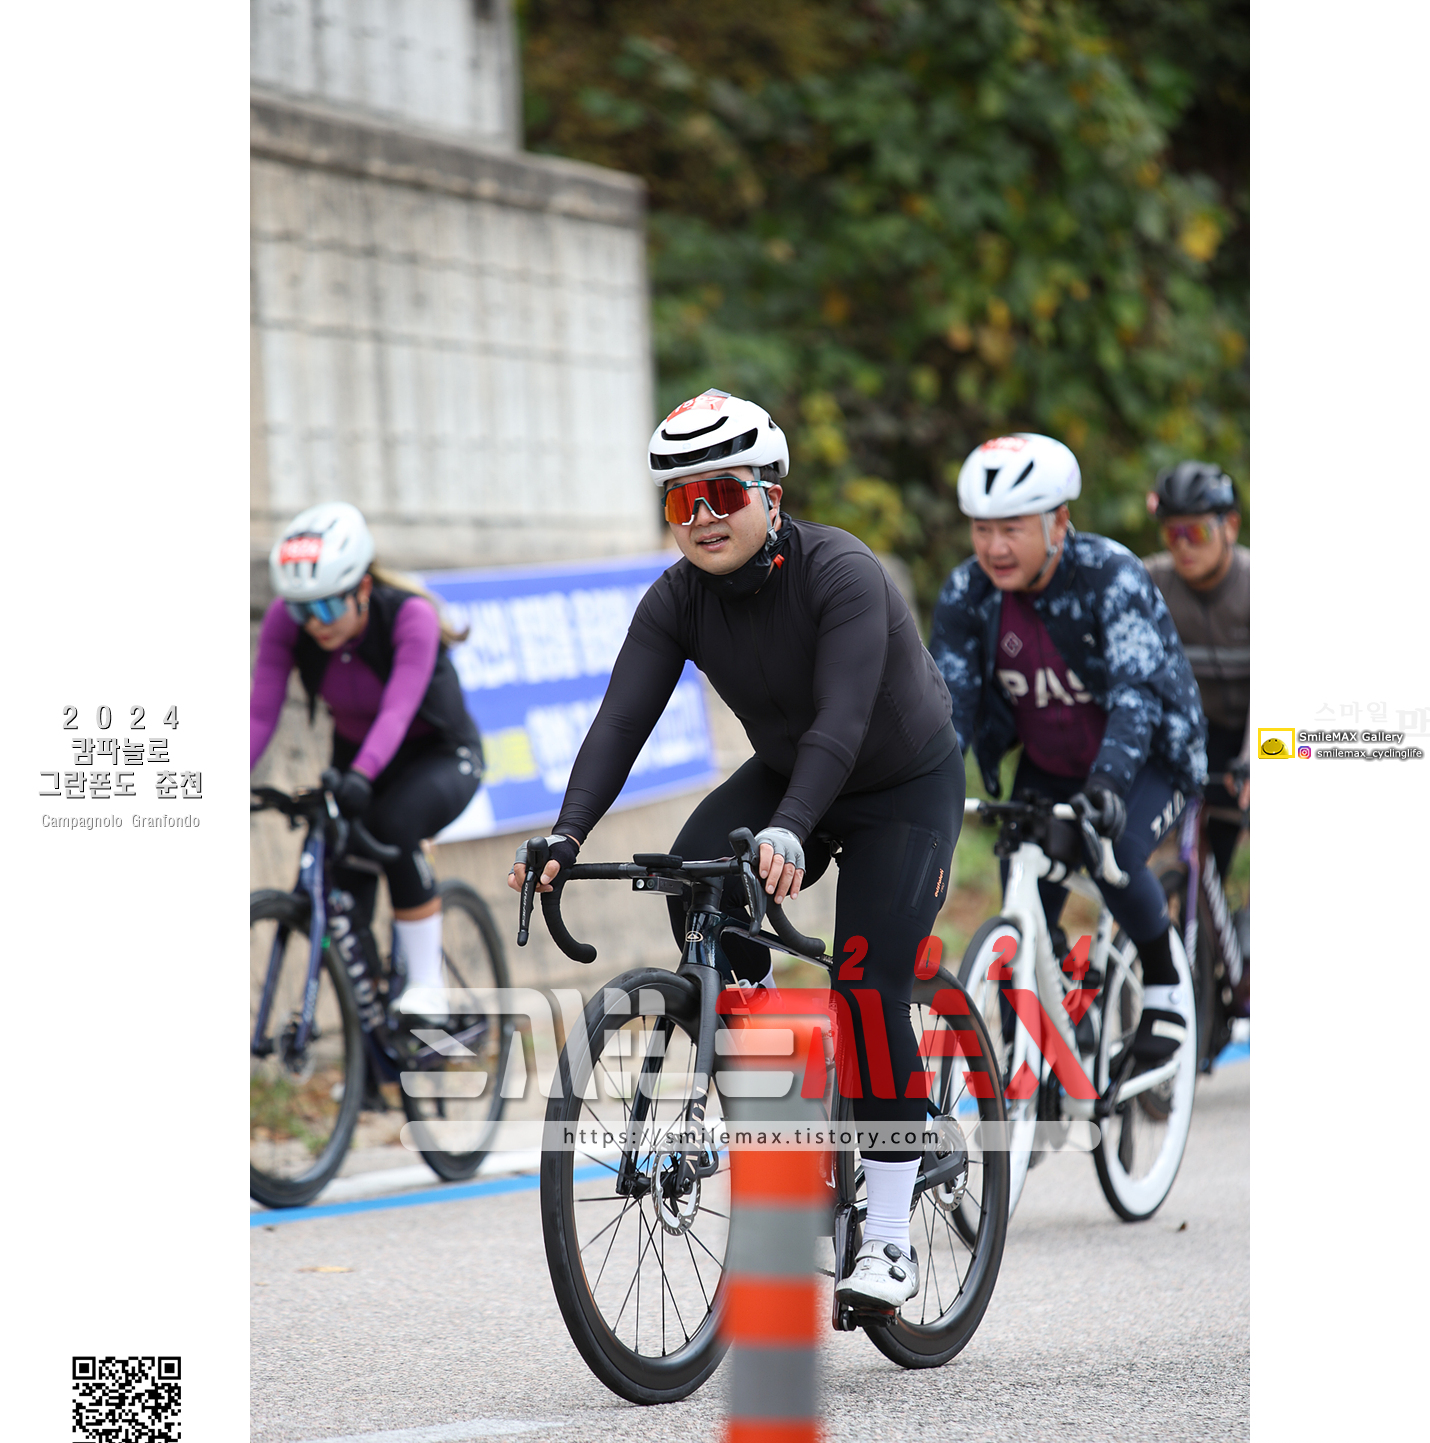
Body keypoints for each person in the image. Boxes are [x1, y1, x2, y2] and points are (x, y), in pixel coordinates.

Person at [508, 390, 963, 1313]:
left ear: (771, 493)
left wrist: (792, 827)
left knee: (866, 986)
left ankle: (886, 1239)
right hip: (793, 774)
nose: (702, 517)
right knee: (692, 878)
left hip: (899, 787)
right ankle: (765, 1086)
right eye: (682, 501)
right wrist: (567, 832)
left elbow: (842, 722)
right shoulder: (676, 598)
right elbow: (620, 722)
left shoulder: (844, 573)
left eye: (721, 492)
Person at [928, 433, 1207, 1068]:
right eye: (982, 530)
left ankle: (1166, 984)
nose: (994, 548)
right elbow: (950, 708)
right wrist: (927, 787)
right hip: (1049, 763)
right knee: (1021, 879)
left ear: (1058, 522)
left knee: (1114, 852)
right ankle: (1046, 1029)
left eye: (1013, 529)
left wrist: (1107, 784)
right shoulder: (968, 591)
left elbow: (1136, 696)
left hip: (1148, 757)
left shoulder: (1110, 573)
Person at [252, 501, 485, 1042]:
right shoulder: (290, 623)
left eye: (328, 605)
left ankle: (427, 986)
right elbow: (260, 714)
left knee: (394, 823)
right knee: (338, 881)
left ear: (361, 586)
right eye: (303, 610)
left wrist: (361, 776)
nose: (315, 623)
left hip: (437, 755)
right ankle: (371, 1047)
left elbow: (397, 712)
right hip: (357, 760)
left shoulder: (409, 615)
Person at [1143, 461, 1249, 884]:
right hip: (1199, 731)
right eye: (1173, 534)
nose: (1184, 546)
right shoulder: (1149, 582)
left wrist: (1256, 759)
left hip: (1261, 730)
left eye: (1197, 532)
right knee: (1202, 863)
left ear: (1230, 526)